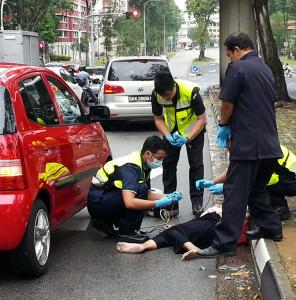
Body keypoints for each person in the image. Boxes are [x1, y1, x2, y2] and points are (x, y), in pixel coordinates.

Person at [196, 32, 283, 259]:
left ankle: (224, 242)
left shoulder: (238, 68)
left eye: (228, 54)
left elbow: (227, 103)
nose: (229, 59)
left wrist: (224, 125)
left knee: (235, 193)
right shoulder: (263, 67)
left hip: (248, 145)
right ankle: (270, 227)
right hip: (270, 144)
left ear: (236, 49)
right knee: (257, 189)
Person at [87, 136, 183, 243]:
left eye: (162, 158)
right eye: (159, 158)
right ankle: (127, 231)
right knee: (140, 189)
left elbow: (146, 194)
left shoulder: (144, 163)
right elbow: (130, 202)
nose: (160, 161)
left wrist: (167, 197)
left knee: (142, 190)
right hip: (98, 204)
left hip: (106, 198)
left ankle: (106, 221)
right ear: (147, 154)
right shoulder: (132, 168)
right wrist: (157, 203)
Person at [196, 145, 296, 221]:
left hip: (295, 181)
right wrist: (213, 181)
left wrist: (226, 187)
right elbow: (234, 169)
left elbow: (254, 182)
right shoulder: (250, 148)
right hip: (287, 176)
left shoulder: (260, 154)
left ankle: (280, 209)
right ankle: (270, 206)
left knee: (258, 189)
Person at [151, 71, 207, 217]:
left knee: (196, 165)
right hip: (171, 131)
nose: (166, 98)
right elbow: (158, 119)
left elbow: (201, 119)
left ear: (173, 86)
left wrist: (187, 138)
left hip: (193, 130)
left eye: (168, 95)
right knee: (168, 165)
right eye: (164, 96)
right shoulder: (156, 94)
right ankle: (171, 203)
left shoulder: (191, 91)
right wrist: (168, 136)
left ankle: (197, 202)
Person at [116, 205, 223, 260]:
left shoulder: (222, 209)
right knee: (171, 233)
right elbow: (194, 224)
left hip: (212, 222)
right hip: (210, 234)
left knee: (172, 231)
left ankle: (194, 249)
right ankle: (142, 247)